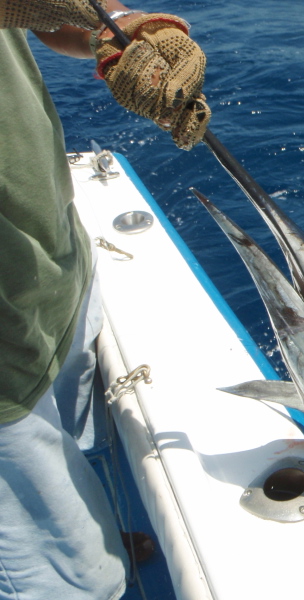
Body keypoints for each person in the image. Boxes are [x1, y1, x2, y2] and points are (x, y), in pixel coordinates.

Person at [0, 1, 210, 597]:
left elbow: (44, 16)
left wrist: (114, 25)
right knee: (61, 579)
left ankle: (91, 531)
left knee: (75, 451)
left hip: (50, 262)